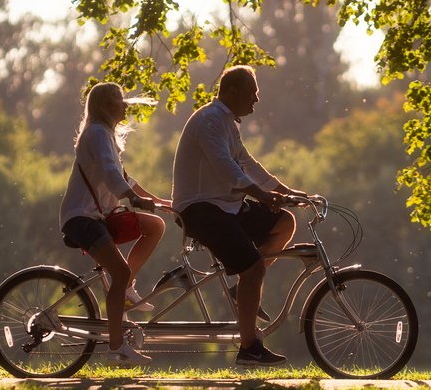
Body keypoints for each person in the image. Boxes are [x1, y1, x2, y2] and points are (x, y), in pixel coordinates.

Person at [171, 65, 308, 366]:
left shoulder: (228, 123)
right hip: (200, 208)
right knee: (254, 267)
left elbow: (247, 163)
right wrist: (262, 195)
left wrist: (286, 193)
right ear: (231, 92)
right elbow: (227, 168)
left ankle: (241, 288)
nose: (257, 100)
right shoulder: (210, 120)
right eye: (252, 93)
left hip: (226, 205)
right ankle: (249, 347)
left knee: (285, 221)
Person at [60, 82, 172, 365]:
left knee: (155, 225)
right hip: (82, 218)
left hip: (99, 216)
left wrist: (159, 201)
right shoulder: (97, 133)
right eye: (120, 100)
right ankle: (116, 348)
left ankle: (126, 291)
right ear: (107, 105)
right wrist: (133, 198)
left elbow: (124, 178)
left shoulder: (105, 134)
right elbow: (112, 176)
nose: (126, 105)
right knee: (118, 273)